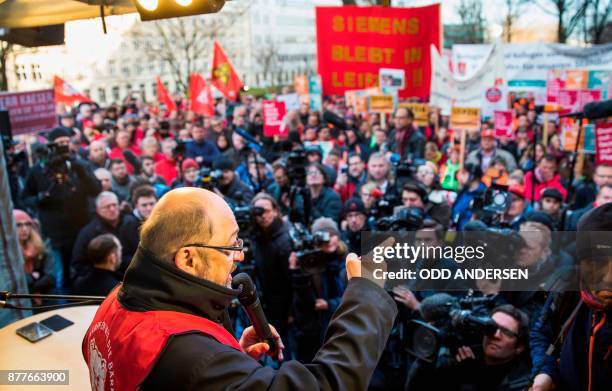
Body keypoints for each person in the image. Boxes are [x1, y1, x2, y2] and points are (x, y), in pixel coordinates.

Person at [82, 187, 397, 390]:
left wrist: (229, 356)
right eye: (230, 245)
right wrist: (366, 294)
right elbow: (326, 385)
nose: (240, 255)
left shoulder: (116, 301)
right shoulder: (196, 361)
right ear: (188, 258)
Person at [529, 203, 612, 391]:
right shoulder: (568, 285)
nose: (608, 277)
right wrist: (545, 373)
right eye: (597, 262)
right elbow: (543, 332)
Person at [22, 127, 102, 287]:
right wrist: (39, 198)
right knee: (61, 276)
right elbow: (25, 198)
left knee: (85, 270)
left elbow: (96, 190)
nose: (63, 146)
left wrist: (81, 171)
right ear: (51, 145)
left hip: (81, 228)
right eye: (59, 143)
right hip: (55, 234)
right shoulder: (38, 170)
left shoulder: (79, 164)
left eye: (66, 142)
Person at [406, 305, 531, 391]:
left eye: (506, 332)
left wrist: (471, 381)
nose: (495, 335)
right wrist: (427, 356)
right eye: (491, 327)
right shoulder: (463, 355)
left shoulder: (521, 381)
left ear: (519, 347)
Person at [289, 217, 348, 362]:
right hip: (315, 332)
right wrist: (297, 271)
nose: (329, 240)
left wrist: (330, 304)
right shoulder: (311, 263)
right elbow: (303, 301)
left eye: (332, 235)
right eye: (323, 236)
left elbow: (354, 297)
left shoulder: (346, 260)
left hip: (340, 327)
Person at [251, 193, 293, 352]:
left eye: (266, 211)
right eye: (258, 212)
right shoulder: (257, 236)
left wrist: (291, 311)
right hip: (266, 301)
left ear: (276, 211)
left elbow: (290, 278)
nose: (262, 216)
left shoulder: (285, 237)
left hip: (284, 304)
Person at [71, 191, 139, 280]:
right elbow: (79, 263)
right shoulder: (88, 232)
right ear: (98, 210)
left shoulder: (131, 222)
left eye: (114, 205)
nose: (112, 209)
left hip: (133, 275)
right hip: (103, 280)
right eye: (107, 207)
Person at [13, 209, 56, 300]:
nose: (24, 229)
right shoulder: (9, 255)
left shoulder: (41, 246)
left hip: (45, 298)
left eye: (27, 224)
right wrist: (34, 277)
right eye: (18, 225)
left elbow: (50, 278)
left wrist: (31, 284)